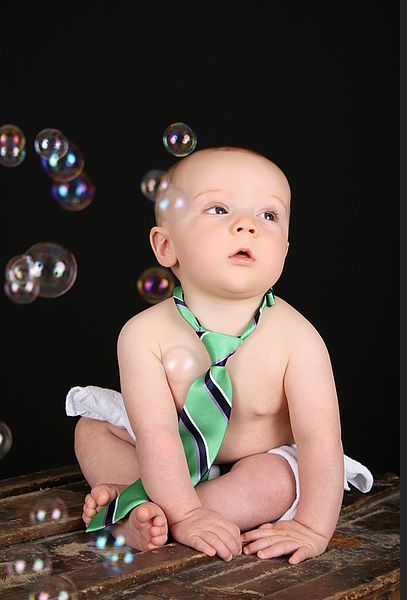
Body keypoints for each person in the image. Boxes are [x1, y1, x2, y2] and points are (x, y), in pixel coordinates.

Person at [67, 146, 372, 565]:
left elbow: (321, 441)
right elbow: (156, 433)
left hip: (253, 463)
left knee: (274, 479)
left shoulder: (298, 338)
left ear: (284, 250)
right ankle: (145, 500)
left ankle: (142, 513)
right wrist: (186, 511)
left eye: (268, 215)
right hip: (170, 451)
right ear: (166, 246)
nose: (246, 226)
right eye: (218, 209)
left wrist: (312, 527)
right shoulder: (143, 335)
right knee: (93, 429)